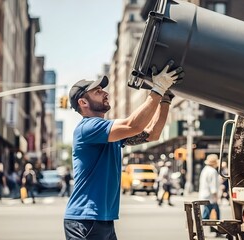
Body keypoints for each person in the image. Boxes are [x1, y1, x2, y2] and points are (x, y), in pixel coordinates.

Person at [63, 60, 183, 240]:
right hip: (84, 220)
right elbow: (133, 125)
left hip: (102, 219)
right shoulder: (88, 128)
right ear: (83, 102)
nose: (105, 93)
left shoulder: (108, 132)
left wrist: (165, 99)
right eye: (97, 91)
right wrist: (158, 88)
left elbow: (152, 134)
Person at [198, 154, 222, 237]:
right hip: (211, 197)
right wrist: (217, 198)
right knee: (213, 214)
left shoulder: (205, 170)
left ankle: (208, 231)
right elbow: (213, 187)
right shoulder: (213, 171)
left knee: (207, 213)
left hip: (204, 195)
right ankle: (217, 231)